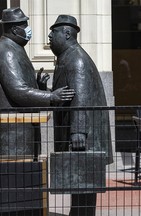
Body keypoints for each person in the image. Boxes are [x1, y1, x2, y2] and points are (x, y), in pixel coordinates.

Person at [0, 7, 75, 156]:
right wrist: (51, 97)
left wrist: (38, 85)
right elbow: (18, 91)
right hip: (11, 137)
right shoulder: (6, 52)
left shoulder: (14, 48)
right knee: (13, 178)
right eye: (24, 25)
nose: (28, 29)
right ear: (14, 30)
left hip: (21, 132)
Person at [49, 15, 113, 216]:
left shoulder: (76, 59)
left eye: (54, 32)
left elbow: (81, 96)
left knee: (84, 186)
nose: (50, 36)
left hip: (85, 139)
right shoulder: (67, 57)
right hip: (83, 137)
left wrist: (78, 132)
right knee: (80, 186)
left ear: (67, 34)